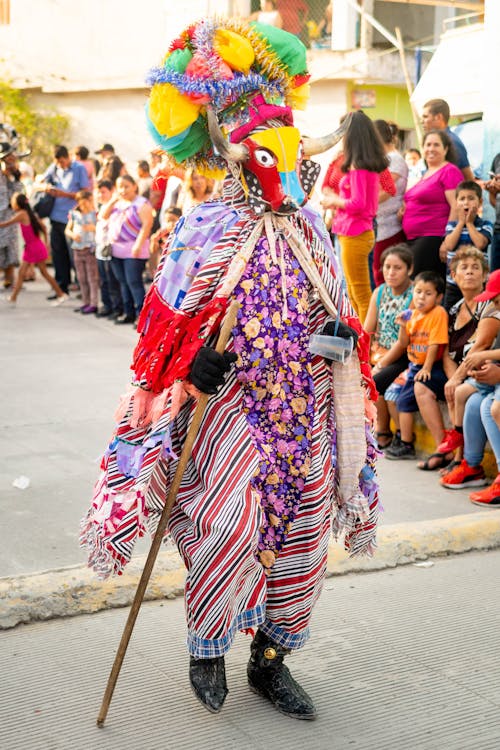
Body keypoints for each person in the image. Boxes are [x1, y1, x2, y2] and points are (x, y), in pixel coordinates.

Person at [80, 18, 379, 720]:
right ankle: (207, 648)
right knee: (228, 527)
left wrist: (336, 334)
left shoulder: (311, 227)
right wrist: (195, 362)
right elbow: (162, 325)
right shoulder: (205, 225)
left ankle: (271, 661)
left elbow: (338, 305)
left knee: (302, 536)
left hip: (303, 405)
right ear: (233, 152)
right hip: (231, 407)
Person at [415, 248, 500, 471]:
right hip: (459, 369)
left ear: (484, 275)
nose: (470, 272)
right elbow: (447, 351)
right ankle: (445, 450)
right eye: (464, 268)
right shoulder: (452, 310)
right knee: (421, 385)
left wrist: (458, 379)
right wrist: (454, 377)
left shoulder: (491, 305)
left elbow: (481, 346)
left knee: (461, 393)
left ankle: (461, 458)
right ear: (453, 275)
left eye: (476, 268)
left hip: (479, 371)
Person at [321, 110, 389, 323]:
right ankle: (363, 338)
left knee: (358, 292)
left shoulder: (359, 168)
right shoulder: (362, 165)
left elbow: (358, 204)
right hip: (354, 232)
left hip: (356, 233)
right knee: (353, 290)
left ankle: (366, 341)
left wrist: (334, 201)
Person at [436, 265, 500, 467]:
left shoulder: (492, 314)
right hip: (491, 377)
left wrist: (485, 357)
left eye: (497, 301)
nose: (495, 307)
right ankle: (470, 466)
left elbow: (483, 347)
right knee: (468, 398)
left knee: (493, 408)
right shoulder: (455, 309)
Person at [384, 272, 448, 460]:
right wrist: (403, 326)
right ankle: (402, 438)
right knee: (391, 394)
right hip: (413, 367)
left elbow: (435, 344)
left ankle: (406, 444)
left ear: (439, 297)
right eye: (418, 291)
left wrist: (426, 368)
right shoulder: (412, 314)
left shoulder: (438, 313)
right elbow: (404, 343)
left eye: (428, 293)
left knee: (403, 401)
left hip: (429, 367)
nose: (421, 296)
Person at [364, 244, 413, 450]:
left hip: (403, 354)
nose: (390, 272)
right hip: (381, 351)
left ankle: (399, 436)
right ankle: (382, 431)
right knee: (367, 379)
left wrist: (381, 364)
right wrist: (364, 360)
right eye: (387, 267)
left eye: (397, 267)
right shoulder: (380, 291)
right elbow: (368, 329)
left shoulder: (413, 295)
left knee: (375, 382)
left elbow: (403, 343)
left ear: (409, 270)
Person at [400, 129, 463, 279]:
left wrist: (448, 240)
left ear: (446, 149)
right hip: (415, 238)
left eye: (436, 145)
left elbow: (456, 206)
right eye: (428, 145)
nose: (431, 149)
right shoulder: (427, 173)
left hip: (432, 237)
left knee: (419, 283)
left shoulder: (449, 171)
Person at [102, 174, 153, 324]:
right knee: (122, 282)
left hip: (133, 249)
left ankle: (141, 315)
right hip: (117, 249)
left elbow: (146, 225)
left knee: (134, 281)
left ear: (134, 186)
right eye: (120, 187)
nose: (123, 190)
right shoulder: (118, 203)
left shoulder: (142, 204)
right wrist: (113, 200)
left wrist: (138, 244)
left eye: (126, 186)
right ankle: (128, 312)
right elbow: (103, 216)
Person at [0, 192, 67, 305]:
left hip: (34, 247)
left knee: (41, 272)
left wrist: (46, 243)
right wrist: (46, 243)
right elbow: (44, 228)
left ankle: (61, 294)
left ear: (17, 203)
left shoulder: (22, 214)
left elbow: (6, 224)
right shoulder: (30, 214)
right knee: (26, 273)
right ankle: (13, 298)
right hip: (34, 246)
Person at [42, 144, 89, 297]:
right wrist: (47, 187)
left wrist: (65, 194)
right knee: (58, 255)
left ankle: (82, 288)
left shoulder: (79, 168)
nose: (60, 165)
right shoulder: (54, 168)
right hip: (55, 217)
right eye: (58, 162)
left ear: (68, 157)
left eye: (62, 161)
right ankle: (61, 288)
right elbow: (40, 181)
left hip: (72, 219)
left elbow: (85, 193)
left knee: (74, 255)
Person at [440, 181, 492, 310]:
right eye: (462, 199)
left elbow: (480, 244)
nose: (466, 202)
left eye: (471, 198)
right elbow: (449, 245)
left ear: (479, 202)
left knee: (477, 313)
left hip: (477, 283)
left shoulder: (485, 224)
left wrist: (469, 223)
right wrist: (461, 223)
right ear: (456, 203)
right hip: (454, 284)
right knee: (450, 315)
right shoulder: (452, 225)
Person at [372, 120, 408, 287]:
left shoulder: (394, 159)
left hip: (389, 226)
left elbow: (385, 191)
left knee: (384, 276)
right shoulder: (384, 159)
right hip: (380, 225)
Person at [421, 98, 474, 181]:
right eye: (428, 145)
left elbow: (467, 177)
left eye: (425, 117)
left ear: (438, 117)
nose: (422, 121)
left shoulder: (453, 142)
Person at [65, 190, 99, 314]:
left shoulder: (95, 215)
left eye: (88, 202)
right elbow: (67, 230)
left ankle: (94, 303)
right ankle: (86, 301)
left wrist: (93, 228)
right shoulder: (74, 214)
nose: (85, 205)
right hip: (78, 248)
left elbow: (100, 230)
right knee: (82, 278)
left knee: (92, 278)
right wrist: (73, 235)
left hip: (90, 249)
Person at [0, 125, 25, 289]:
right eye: (6, 159)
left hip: (10, 214)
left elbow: (19, 194)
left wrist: (15, 177)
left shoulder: (13, 176)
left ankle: (10, 279)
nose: (10, 162)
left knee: (10, 248)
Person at [94, 179, 123, 319]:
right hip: (100, 249)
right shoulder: (101, 206)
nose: (100, 195)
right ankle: (107, 305)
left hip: (111, 249)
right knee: (103, 280)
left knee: (113, 280)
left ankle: (116, 308)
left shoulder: (115, 206)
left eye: (104, 192)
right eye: (98, 192)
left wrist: (113, 200)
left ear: (112, 192)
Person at [484, 156, 500, 272]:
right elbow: (495, 203)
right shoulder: (498, 159)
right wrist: (492, 191)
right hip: (498, 230)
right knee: (495, 281)